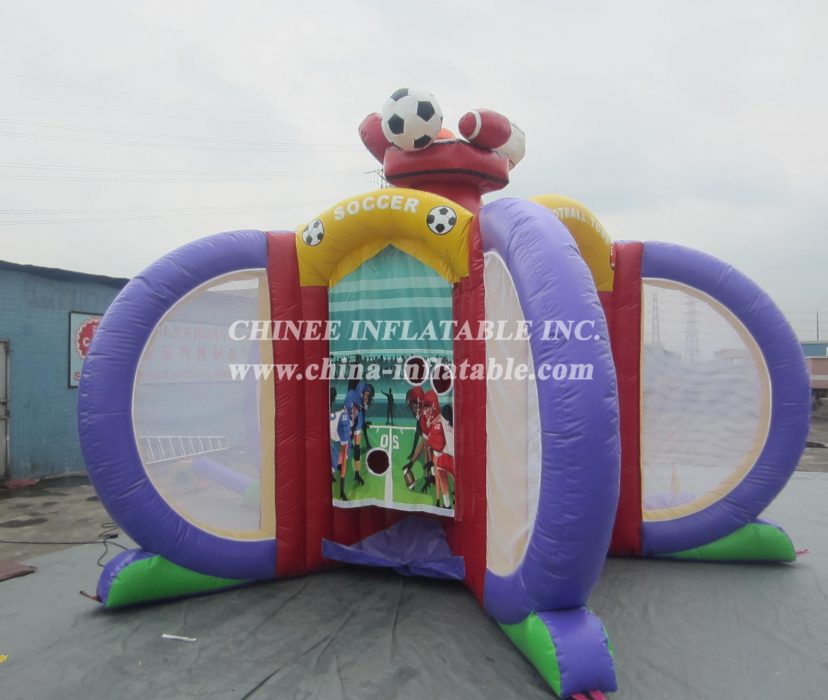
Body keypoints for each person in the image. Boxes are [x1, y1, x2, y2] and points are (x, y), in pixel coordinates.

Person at [330, 394, 361, 500]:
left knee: (342, 456)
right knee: (340, 459)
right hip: (330, 435)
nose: (355, 412)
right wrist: (342, 490)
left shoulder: (346, 417)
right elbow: (343, 461)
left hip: (334, 434)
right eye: (353, 410)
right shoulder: (345, 425)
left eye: (356, 410)